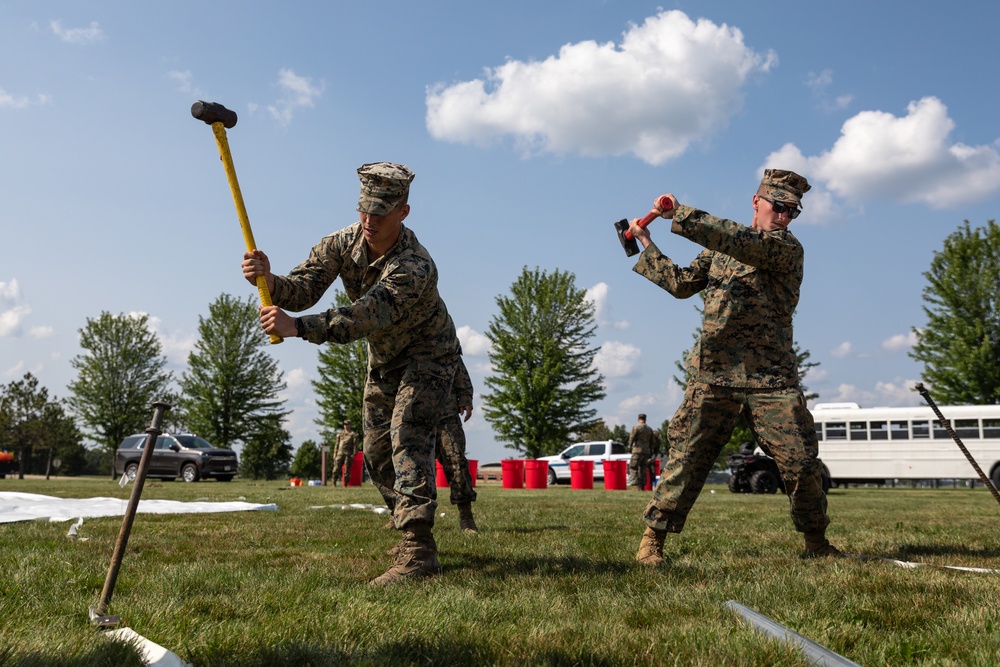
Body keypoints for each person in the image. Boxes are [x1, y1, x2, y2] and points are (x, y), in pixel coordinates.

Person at [241, 162, 462, 584]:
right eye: (364, 209)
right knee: (376, 452)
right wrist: (269, 278)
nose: (369, 220)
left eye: (381, 211)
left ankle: (418, 550)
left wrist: (297, 328)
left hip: (430, 355)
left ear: (404, 212)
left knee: (407, 432)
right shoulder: (343, 242)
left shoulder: (415, 265)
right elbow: (304, 289)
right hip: (385, 359)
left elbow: (366, 315)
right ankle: (407, 525)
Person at [627, 169, 840, 566]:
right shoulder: (719, 250)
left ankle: (817, 543)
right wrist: (646, 243)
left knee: (800, 462)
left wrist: (679, 213)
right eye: (779, 207)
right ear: (757, 201)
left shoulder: (785, 249)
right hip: (715, 373)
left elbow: (740, 241)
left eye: (793, 212)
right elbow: (681, 283)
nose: (785, 217)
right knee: (686, 458)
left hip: (770, 378)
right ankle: (652, 540)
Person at [436, 358, 479, 534]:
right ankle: (401, 515)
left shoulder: (442, 336)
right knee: (411, 469)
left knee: (456, 463)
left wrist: (466, 397)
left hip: (446, 415)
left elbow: (457, 365)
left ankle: (466, 517)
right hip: (413, 417)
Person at [628, 414, 654, 490]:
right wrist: (650, 450)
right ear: (645, 419)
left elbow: (632, 437)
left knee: (634, 467)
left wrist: (630, 446)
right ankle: (642, 485)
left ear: (638, 419)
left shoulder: (636, 427)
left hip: (637, 450)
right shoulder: (649, 429)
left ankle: (636, 486)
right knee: (643, 468)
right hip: (646, 451)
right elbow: (652, 442)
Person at [332, 420, 358, 486]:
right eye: (344, 424)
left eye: (347, 424)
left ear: (350, 425)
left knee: (347, 470)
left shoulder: (353, 434)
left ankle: (346, 483)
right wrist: (335, 453)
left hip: (348, 454)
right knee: (336, 468)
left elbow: (355, 445)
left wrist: (354, 454)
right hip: (340, 453)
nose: (345, 426)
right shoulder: (340, 434)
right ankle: (334, 482)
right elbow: (337, 444)